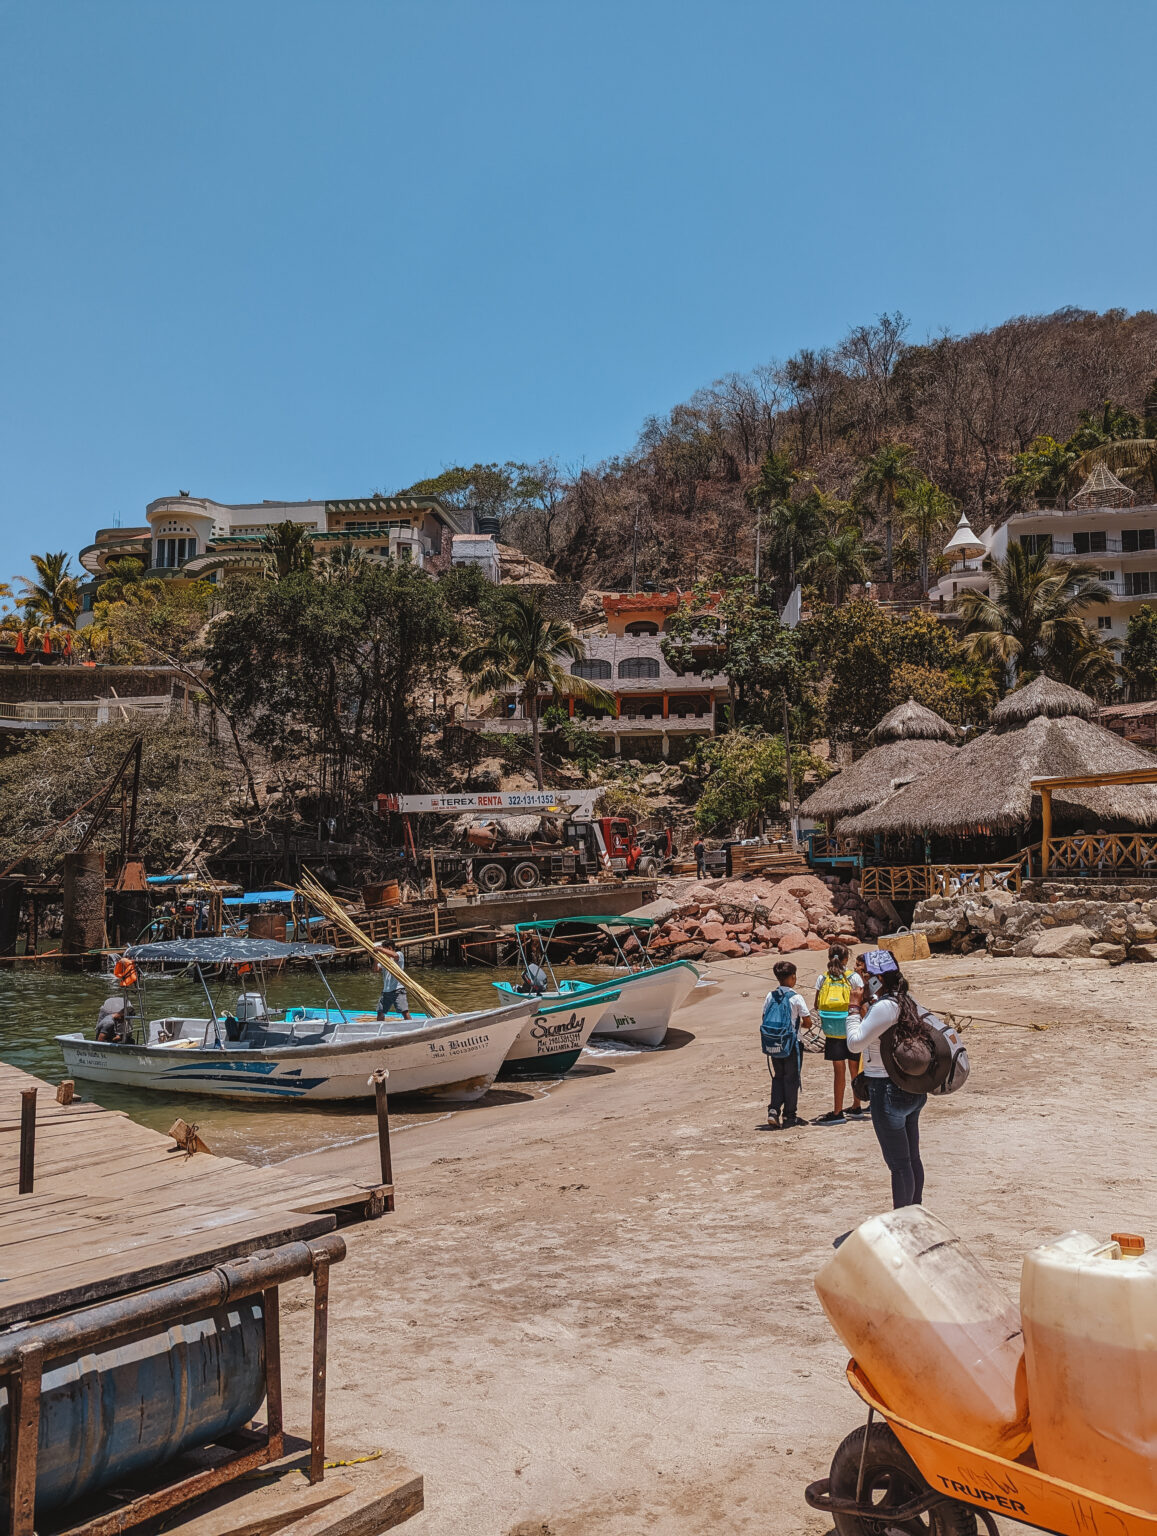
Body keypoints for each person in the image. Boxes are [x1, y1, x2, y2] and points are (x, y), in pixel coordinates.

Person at [847, 953, 928, 1208]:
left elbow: (855, 1043)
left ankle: (903, 1222)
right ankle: (916, 1213)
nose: (859, 978)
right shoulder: (906, 1000)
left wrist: (852, 1008)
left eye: (863, 973)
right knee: (912, 1158)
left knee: (899, 1165)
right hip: (911, 1086)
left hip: (887, 1089)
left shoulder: (884, 1007)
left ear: (877, 978)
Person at [812, 943, 866, 1125]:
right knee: (854, 1068)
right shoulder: (854, 978)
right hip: (852, 1028)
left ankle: (837, 1111)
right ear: (846, 959)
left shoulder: (822, 978)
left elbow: (817, 1005)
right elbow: (862, 1002)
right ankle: (857, 1105)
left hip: (833, 1031)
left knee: (839, 1071)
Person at [763, 959, 817, 1130]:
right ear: (793, 977)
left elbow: (764, 1018)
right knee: (791, 1079)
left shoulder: (770, 996)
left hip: (773, 1042)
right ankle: (790, 1115)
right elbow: (807, 1022)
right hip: (793, 1044)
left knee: (778, 1077)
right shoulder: (796, 998)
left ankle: (773, 1110)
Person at [375, 943, 412, 1021]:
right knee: (380, 1012)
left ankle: (411, 1026)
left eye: (384, 949)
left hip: (398, 989)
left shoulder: (399, 955)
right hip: (386, 991)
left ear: (389, 948)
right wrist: (375, 957)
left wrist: (380, 949)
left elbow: (395, 955)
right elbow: (376, 969)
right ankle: (379, 1028)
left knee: (404, 1012)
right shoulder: (384, 960)